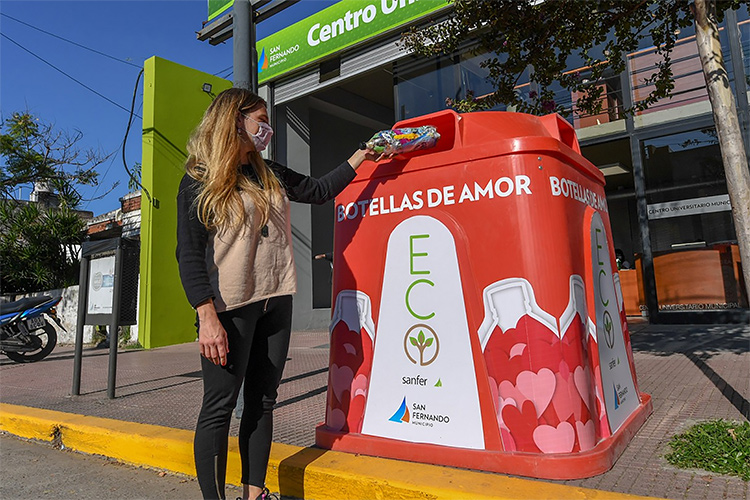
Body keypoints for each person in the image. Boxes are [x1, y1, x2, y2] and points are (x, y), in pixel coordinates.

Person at [176, 88, 382, 500]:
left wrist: (365, 155)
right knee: (219, 407)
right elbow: (188, 254)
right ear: (235, 122)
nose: (267, 129)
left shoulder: (268, 173)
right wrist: (206, 316)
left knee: (262, 401)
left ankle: (255, 494)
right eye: (260, 121)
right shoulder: (199, 179)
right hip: (228, 307)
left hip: (276, 299)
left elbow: (320, 191)